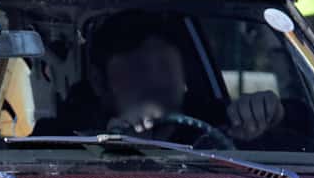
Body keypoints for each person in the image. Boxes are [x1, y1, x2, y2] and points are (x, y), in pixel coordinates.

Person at [57, 9, 284, 146]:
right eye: (139, 69)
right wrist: (109, 145)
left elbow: (298, 140)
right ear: (99, 82)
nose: (156, 80)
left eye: (165, 66)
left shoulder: (214, 122)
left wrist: (267, 112)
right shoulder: (66, 136)